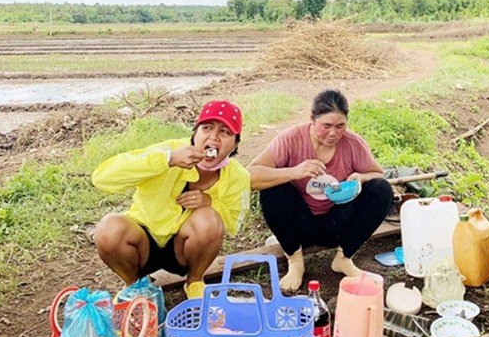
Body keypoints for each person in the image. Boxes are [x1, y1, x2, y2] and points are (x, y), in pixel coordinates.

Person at [92, 100, 249, 299]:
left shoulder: (238, 176)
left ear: (235, 143)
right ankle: (135, 287)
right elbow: (102, 178)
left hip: (183, 250)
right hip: (144, 241)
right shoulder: (168, 151)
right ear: (195, 133)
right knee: (109, 229)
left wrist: (209, 202)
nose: (214, 137)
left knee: (208, 218)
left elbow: (234, 224)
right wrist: (168, 160)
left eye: (225, 132)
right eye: (207, 128)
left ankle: (194, 282)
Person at [248, 89, 393, 292]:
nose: (333, 133)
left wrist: (361, 177)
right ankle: (296, 262)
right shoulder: (290, 139)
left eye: (340, 126)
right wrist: (294, 172)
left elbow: (378, 174)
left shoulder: (352, 143)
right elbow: (251, 176)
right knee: (273, 190)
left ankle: (343, 258)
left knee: (381, 190)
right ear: (312, 119)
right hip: (300, 226)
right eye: (326, 126)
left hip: (337, 224)